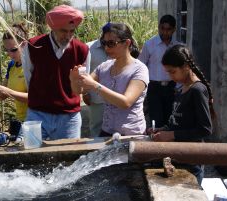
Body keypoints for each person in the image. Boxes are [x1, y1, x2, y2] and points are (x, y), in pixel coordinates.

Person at [148, 44, 215, 184]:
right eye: (168, 72)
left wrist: (171, 135)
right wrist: (163, 129)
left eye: (172, 72)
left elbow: (205, 129)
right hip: (179, 155)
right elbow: (178, 121)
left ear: (185, 66)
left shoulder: (197, 90)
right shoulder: (181, 88)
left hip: (192, 158)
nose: (170, 77)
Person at [21, 5, 90, 140]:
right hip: (37, 114)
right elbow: (29, 78)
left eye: (72, 31)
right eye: (64, 31)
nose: (68, 35)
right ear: (52, 28)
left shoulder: (82, 50)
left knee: (68, 158)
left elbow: (82, 85)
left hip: (69, 117)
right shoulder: (33, 46)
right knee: (29, 155)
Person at [70, 23, 149, 136]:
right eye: (104, 43)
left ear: (127, 43)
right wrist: (74, 80)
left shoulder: (139, 69)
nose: (106, 48)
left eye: (111, 43)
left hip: (131, 134)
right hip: (107, 131)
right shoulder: (105, 66)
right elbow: (80, 90)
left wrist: (94, 85)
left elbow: (126, 102)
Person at [0, 23, 29, 141]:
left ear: (23, 44)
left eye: (13, 49)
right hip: (20, 120)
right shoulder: (11, 65)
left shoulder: (31, 66)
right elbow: (1, 96)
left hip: (34, 121)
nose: (9, 54)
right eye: (6, 50)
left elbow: (33, 98)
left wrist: (3, 89)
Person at [138, 14, 180, 128]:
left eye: (168, 29)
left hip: (172, 88)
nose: (165, 32)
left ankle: (168, 144)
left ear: (174, 29)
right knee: (156, 120)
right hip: (154, 88)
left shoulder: (177, 47)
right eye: (162, 28)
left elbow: (181, 69)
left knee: (171, 119)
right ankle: (156, 144)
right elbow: (140, 66)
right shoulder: (149, 45)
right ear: (159, 27)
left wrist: (178, 87)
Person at [83, 30, 109, 137]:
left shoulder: (118, 47)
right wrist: (85, 93)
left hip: (116, 96)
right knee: (96, 126)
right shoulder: (88, 48)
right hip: (96, 97)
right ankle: (96, 151)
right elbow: (84, 73)